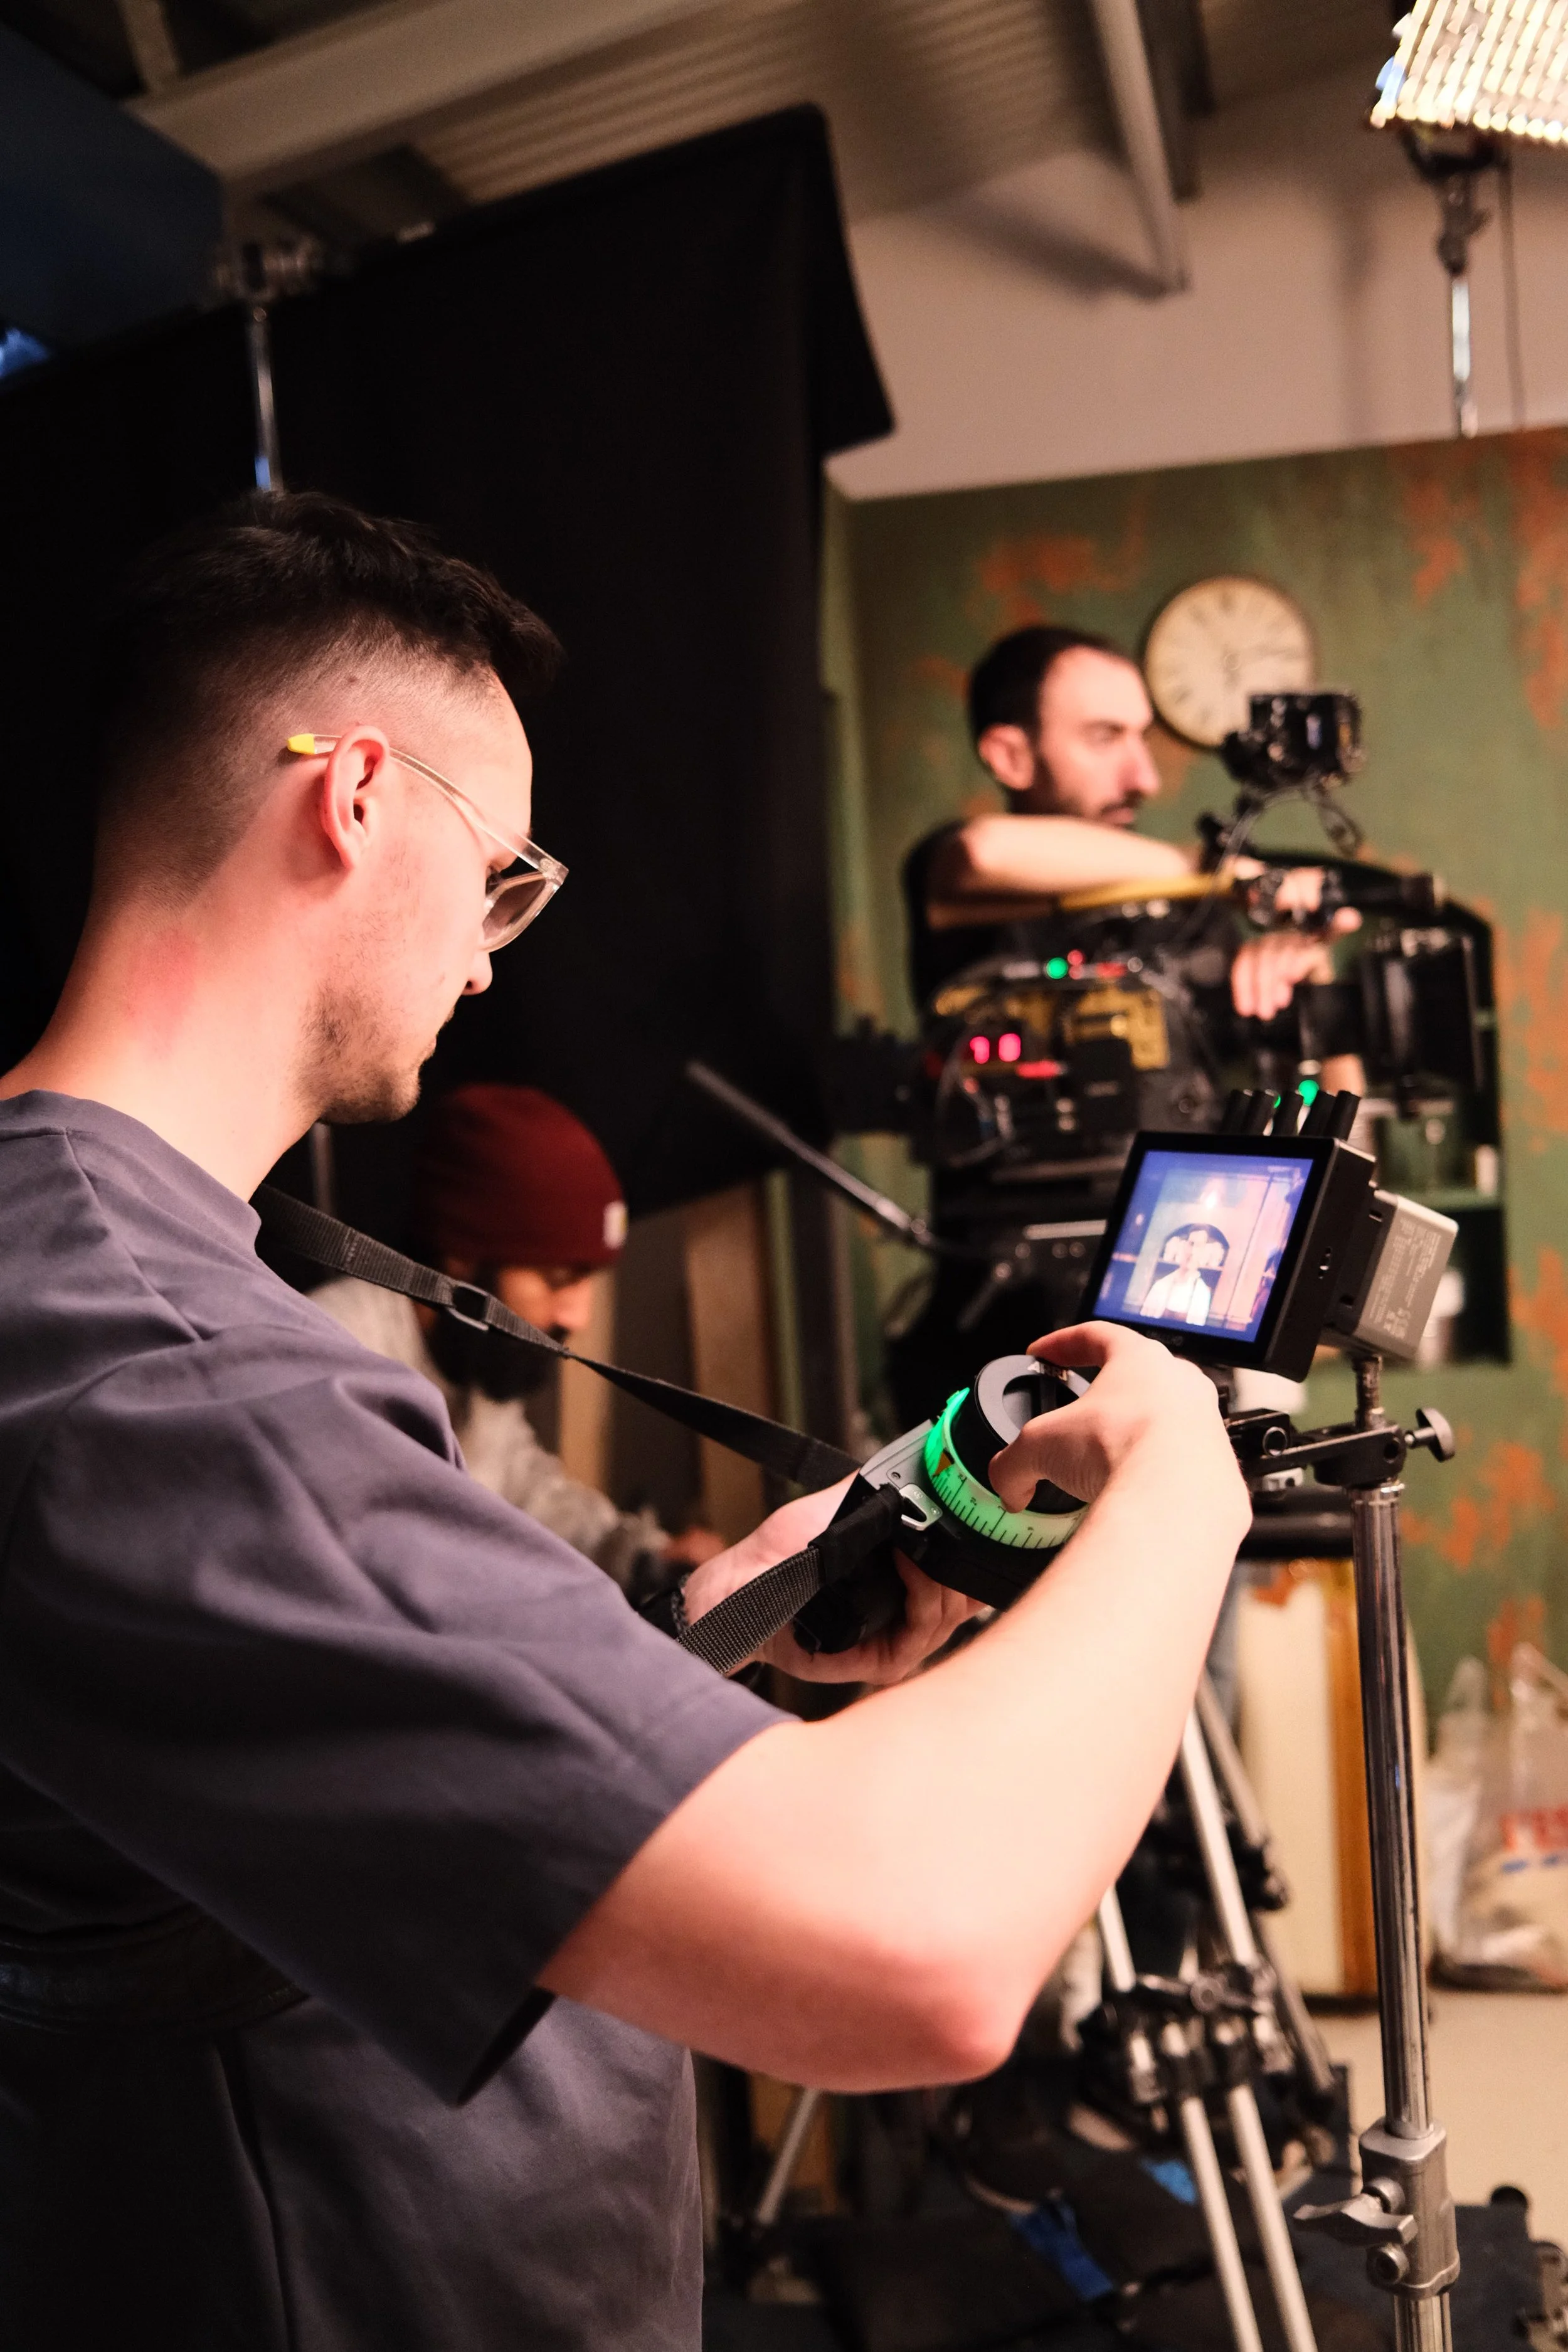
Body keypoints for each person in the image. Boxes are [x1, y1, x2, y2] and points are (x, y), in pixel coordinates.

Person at [0, 492, 1249, 2352]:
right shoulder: (150, 1350)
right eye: (502, 870)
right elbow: (920, 1946)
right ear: (352, 797)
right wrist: (1180, 1484)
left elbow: (308, 1789)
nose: (498, 948)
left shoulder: (123, 1268)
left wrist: (698, 1638)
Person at [313, 1079, 722, 1591]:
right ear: (462, 1255)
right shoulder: (335, 1360)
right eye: (557, 1281)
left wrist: (645, 1557)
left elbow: (527, 1491)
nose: (579, 1317)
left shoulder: (466, 1355)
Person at [903, 623, 1355, 1018]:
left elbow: (1340, 1112)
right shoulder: (953, 877)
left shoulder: (1192, 911)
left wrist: (1315, 979)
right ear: (1010, 758)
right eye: (1104, 738)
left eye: (1141, 738)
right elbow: (982, 854)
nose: (1146, 779)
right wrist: (1220, 873)